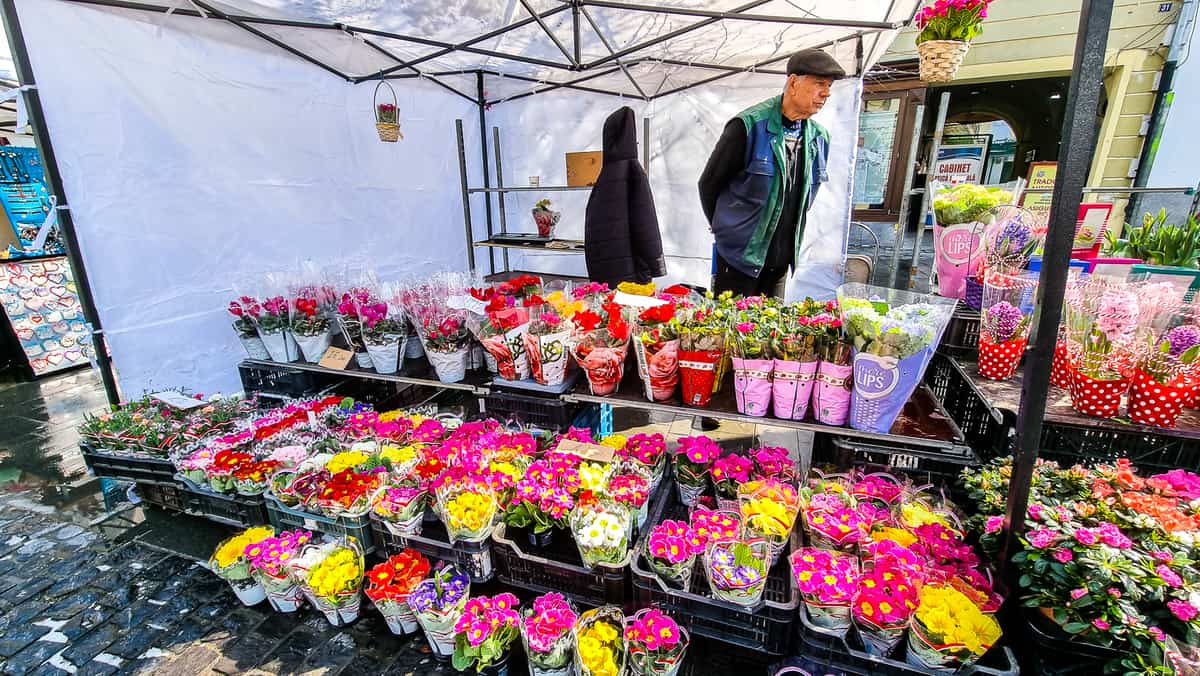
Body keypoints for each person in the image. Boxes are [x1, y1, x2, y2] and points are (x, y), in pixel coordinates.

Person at [698, 48, 846, 297]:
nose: (826, 93)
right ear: (792, 83)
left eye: (829, 86)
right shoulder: (748, 127)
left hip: (780, 264)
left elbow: (809, 194)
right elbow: (709, 184)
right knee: (734, 331)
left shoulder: (819, 138)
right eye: (819, 83)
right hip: (739, 260)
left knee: (771, 330)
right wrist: (726, 229)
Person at [584, 106, 667, 286]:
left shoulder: (604, 176)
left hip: (604, 270)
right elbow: (646, 222)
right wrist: (656, 264)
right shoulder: (633, 172)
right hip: (633, 271)